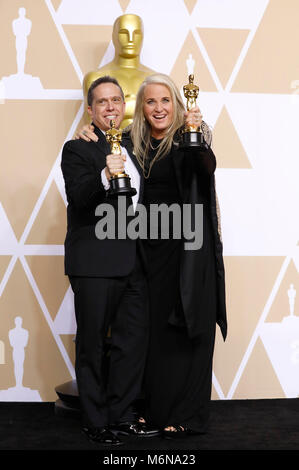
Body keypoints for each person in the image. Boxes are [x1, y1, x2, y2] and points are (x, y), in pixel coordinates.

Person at [77, 73, 227, 438]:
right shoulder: (131, 142)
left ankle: (187, 415)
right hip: (148, 249)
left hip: (188, 247)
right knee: (156, 332)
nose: (158, 108)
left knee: (189, 326)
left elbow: (206, 167)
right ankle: (156, 411)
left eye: (165, 101)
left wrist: (198, 130)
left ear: (177, 103)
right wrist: (88, 130)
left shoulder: (189, 137)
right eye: (150, 102)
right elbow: (105, 144)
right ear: (140, 109)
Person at [61, 75, 158, 446]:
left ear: (124, 104)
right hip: (94, 262)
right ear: (90, 110)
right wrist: (105, 171)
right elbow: (80, 197)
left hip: (133, 261)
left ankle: (122, 415)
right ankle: (95, 420)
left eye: (116, 100)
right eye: (102, 102)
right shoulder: (78, 148)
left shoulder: (134, 147)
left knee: (131, 343)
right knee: (92, 344)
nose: (110, 107)